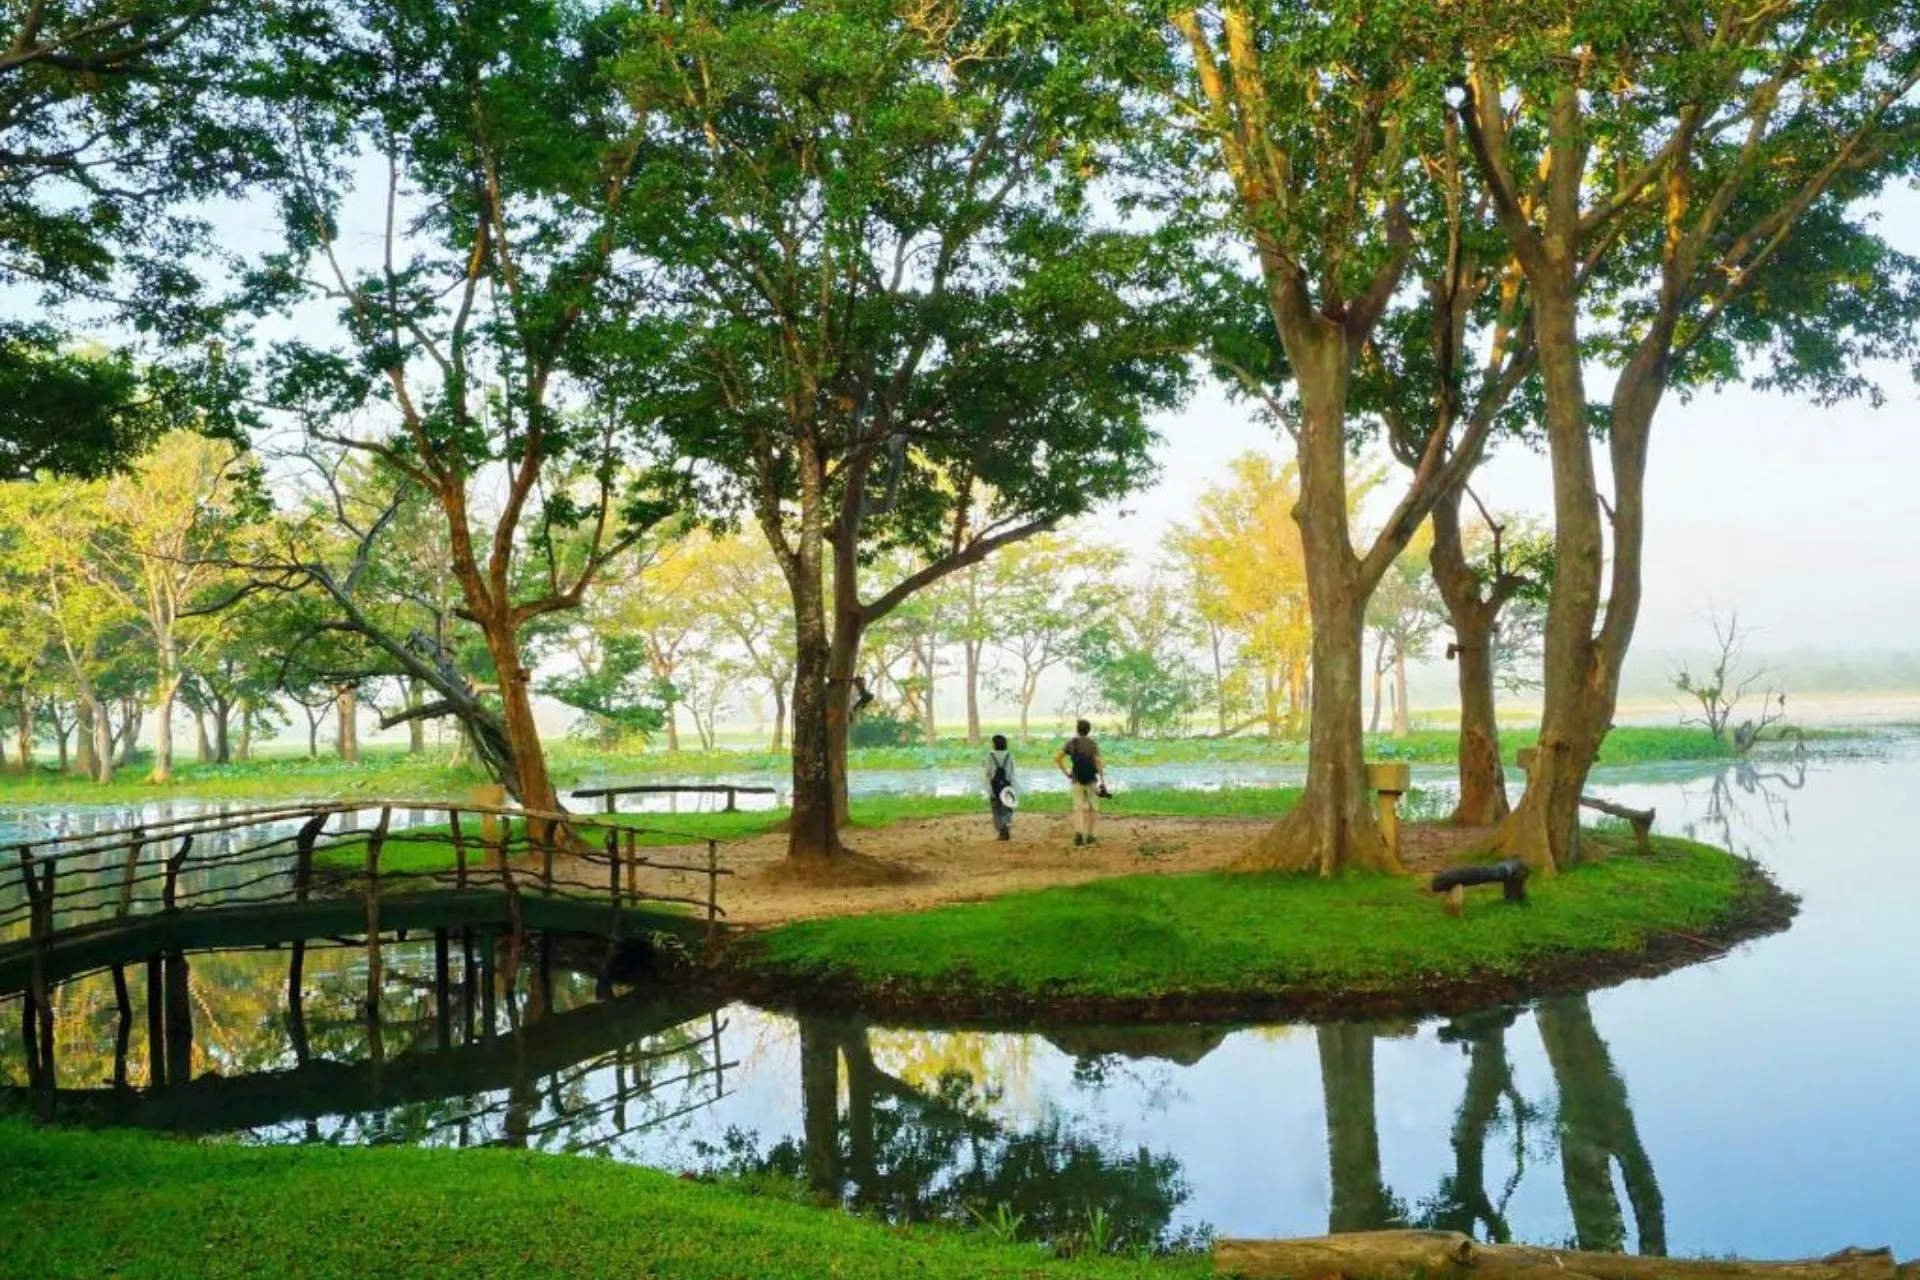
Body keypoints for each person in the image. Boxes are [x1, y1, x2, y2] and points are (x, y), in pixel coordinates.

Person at [1055, 719, 1104, 848]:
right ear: (1089, 730)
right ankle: (1091, 837)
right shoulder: (1092, 744)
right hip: (1091, 779)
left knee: (1078, 808)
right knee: (1093, 808)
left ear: (1077, 730)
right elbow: (1098, 763)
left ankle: (1078, 836)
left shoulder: (1072, 742)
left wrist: (1066, 773)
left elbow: (1058, 758)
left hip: (1076, 779)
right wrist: (1103, 782)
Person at [983, 733, 1017, 841]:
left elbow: (987, 773)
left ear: (995, 744)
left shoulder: (990, 756)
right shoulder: (1009, 755)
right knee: (1007, 808)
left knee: (996, 809)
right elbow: (1012, 772)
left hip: (995, 786)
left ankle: (1001, 830)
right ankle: (1006, 826)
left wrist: (988, 788)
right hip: (1007, 785)